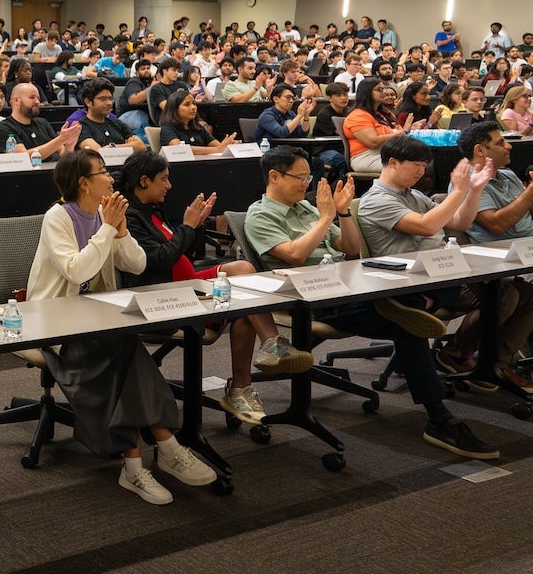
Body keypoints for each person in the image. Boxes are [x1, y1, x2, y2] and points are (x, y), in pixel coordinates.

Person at [245, 146, 497, 459]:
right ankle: (440, 417)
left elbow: (350, 249)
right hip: (311, 297)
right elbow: (295, 255)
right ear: (273, 176)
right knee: (407, 324)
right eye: (300, 177)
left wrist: (343, 213)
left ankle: (409, 311)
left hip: (346, 284)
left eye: (308, 177)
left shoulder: (306, 210)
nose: (306, 184)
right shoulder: (259, 214)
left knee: (424, 299)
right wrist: (326, 217)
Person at [26, 150, 217, 504]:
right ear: (84, 183)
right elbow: (76, 271)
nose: (111, 179)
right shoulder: (57, 217)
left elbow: (139, 263)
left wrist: (122, 231)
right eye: (102, 173)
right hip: (53, 320)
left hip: (98, 318)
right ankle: (165, 448)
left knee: (124, 349)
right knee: (125, 349)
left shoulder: (105, 214)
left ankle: (138, 464)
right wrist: (107, 231)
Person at [119, 152, 301, 425]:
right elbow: (159, 260)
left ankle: (270, 345)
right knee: (244, 306)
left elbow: (181, 255)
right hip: (164, 296)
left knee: (243, 270)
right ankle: (244, 383)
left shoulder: (151, 209)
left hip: (188, 281)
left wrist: (194, 226)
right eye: (164, 179)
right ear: (144, 181)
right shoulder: (131, 217)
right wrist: (188, 227)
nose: (169, 186)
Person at [360, 133, 533, 391]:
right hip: (414, 282)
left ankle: (494, 362)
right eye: (415, 165)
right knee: (503, 293)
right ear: (393, 162)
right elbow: (428, 227)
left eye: (424, 165)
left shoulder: (415, 196)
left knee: (527, 294)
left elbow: (459, 223)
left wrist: (473, 190)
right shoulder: (376, 199)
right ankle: (457, 354)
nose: (421, 171)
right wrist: (460, 190)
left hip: (443, 272)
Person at [0, 82, 80, 160]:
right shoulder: (3, 129)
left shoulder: (43, 123)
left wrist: (69, 146)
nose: (37, 102)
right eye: (32, 97)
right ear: (16, 100)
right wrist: (61, 139)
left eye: (38, 98)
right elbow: (22, 158)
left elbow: (63, 154)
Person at [343, 77, 404, 173]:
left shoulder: (384, 114)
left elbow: (400, 133)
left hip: (388, 153)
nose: (383, 92)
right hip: (366, 158)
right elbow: (373, 142)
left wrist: (412, 129)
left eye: (383, 89)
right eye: (379, 90)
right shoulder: (358, 115)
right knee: (409, 166)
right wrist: (402, 133)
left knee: (421, 160)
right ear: (367, 92)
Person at [75, 78, 145, 153]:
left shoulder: (118, 124)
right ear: (88, 102)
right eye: (103, 99)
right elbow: (98, 153)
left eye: (110, 98)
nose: (109, 103)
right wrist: (128, 146)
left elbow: (141, 147)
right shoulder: (80, 127)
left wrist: (111, 147)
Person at [158, 90, 237, 155]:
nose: (193, 107)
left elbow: (219, 147)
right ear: (174, 109)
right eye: (187, 104)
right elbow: (179, 149)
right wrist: (218, 149)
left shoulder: (198, 127)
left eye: (194, 103)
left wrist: (227, 146)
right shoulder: (167, 128)